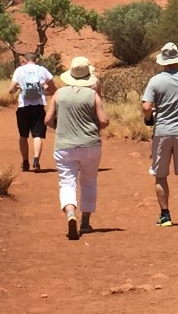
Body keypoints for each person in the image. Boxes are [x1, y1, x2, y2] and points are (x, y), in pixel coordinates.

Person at [141, 41, 178, 227]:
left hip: (162, 132)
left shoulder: (156, 80)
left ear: (162, 61)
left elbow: (146, 106)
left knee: (160, 175)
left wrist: (149, 117)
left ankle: (166, 216)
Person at [46, 55, 107, 240]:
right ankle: (86, 222)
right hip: (90, 145)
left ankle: (71, 213)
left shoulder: (59, 94)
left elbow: (47, 120)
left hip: (64, 146)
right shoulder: (92, 95)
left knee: (67, 182)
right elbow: (104, 121)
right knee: (89, 181)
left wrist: (61, 127)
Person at [8, 51, 55, 172]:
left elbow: (11, 89)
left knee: (23, 136)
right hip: (38, 107)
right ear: (36, 60)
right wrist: (45, 92)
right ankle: (36, 161)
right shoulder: (42, 70)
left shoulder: (19, 70)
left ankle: (25, 162)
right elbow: (53, 88)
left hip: (23, 107)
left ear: (25, 59)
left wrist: (17, 89)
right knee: (37, 135)